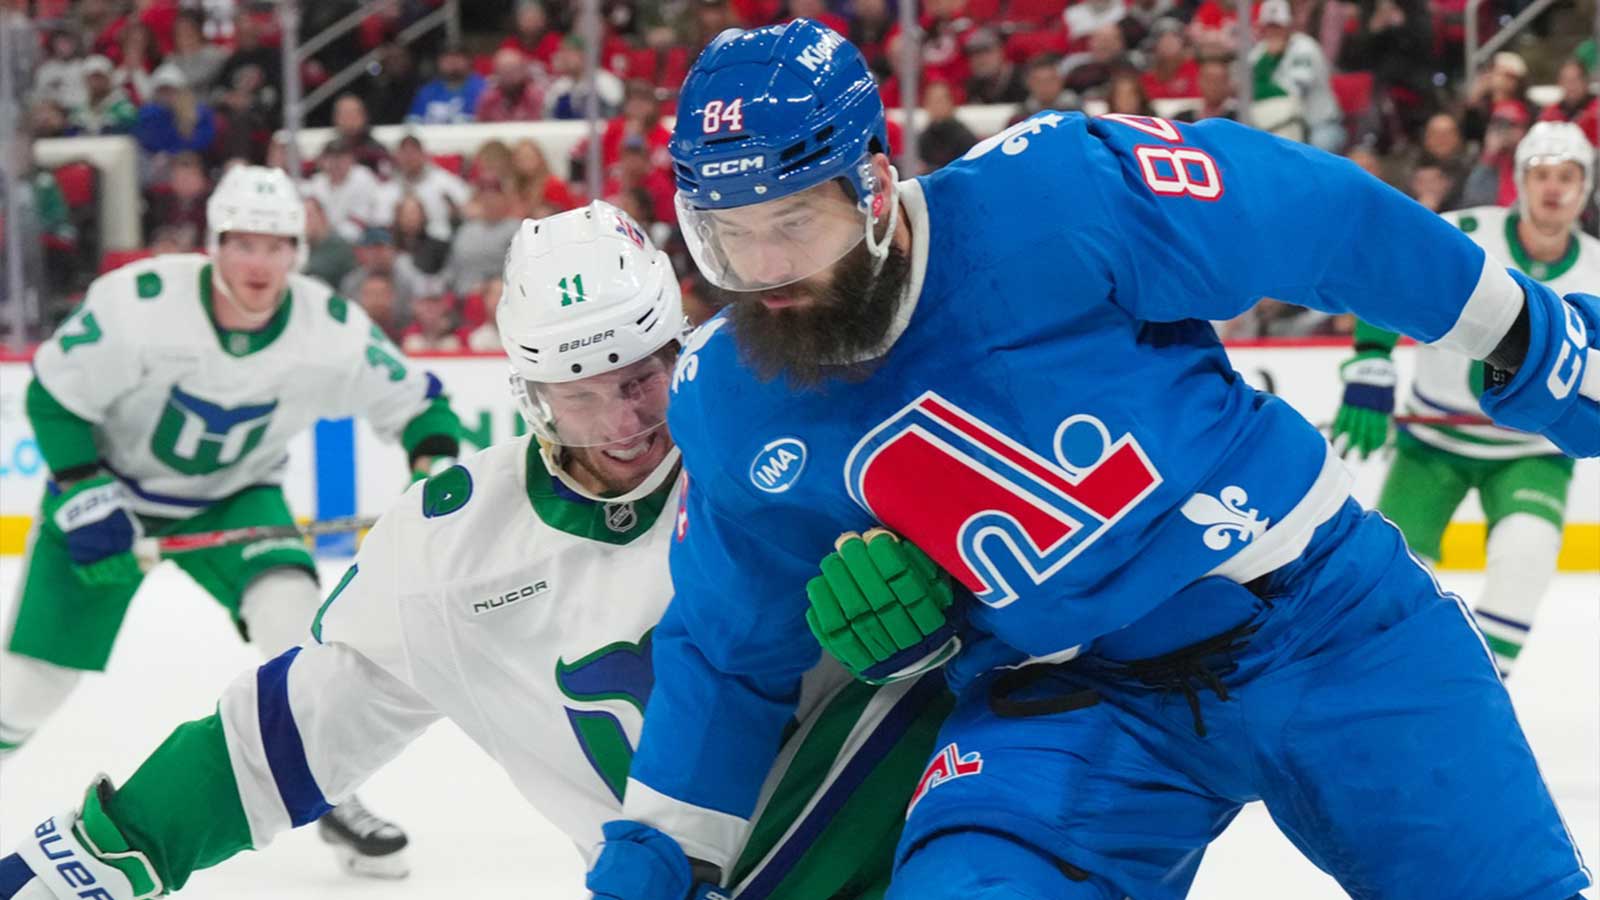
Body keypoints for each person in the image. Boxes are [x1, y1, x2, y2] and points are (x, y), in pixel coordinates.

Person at [582, 20, 1598, 900]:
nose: (763, 274)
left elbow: (1308, 214)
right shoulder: (726, 399)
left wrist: (1519, 334)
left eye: (792, 225)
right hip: (1065, 700)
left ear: (876, 188)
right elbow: (727, 651)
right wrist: (663, 852)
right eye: (725, 238)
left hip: (1320, 620)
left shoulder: (1057, 191)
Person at [0, 202, 949, 900]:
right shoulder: (451, 552)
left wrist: (937, 603)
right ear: (533, 393)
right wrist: (97, 854)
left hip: (907, 836)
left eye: (648, 370)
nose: (632, 417)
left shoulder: (799, 429)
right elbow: (280, 738)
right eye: (586, 389)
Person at [0, 166, 464, 879]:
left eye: (276, 245)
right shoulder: (141, 303)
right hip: (109, 489)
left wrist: (432, 467)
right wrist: (84, 489)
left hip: (238, 496)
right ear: (214, 244)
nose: (259, 262)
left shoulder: (327, 328)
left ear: (297, 253)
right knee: (30, 687)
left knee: (300, 629)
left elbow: (420, 405)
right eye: (242, 243)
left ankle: (336, 797)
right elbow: (56, 397)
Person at [1333, 122, 1600, 677]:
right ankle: (1378, 693)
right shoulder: (1469, 234)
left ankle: (1476, 694)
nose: (1554, 188)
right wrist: (1371, 363)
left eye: (1568, 176)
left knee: (1523, 565)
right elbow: (1391, 271)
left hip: (1533, 454)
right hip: (1431, 444)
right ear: (1519, 182)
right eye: (1541, 174)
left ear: (1586, 186)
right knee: (1388, 584)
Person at [405, 42, 486, 125]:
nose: (453, 62)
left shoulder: (484, 89)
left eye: (457, 57)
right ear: (438, 62)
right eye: (447, 58)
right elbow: (413, 123)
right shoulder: (426, 92)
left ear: (469, 61)